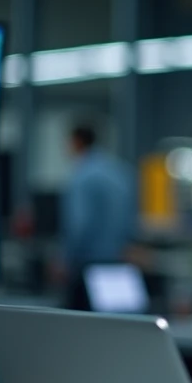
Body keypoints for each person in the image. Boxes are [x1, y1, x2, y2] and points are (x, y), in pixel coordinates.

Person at [61, 121, 136, 309]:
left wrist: (64, 259)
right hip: (119, 264)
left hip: (89, 266)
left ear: (77, 141)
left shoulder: (83, 175)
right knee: (115, 326)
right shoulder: (119, 171)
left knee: (82, 331)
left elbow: (79, 225)